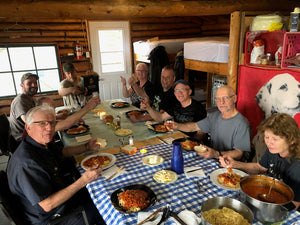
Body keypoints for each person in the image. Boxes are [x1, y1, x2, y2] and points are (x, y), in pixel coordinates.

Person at [7, 105, 105, 225]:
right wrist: (83, 180)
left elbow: (62, 152)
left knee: (101, 190)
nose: (49, 128)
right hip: (53, 217)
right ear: (28, 127)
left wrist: (86, 147)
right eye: (42, 123)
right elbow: (47, 205)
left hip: (59, 195)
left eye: (52, 123)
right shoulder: (27, 163)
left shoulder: (39, 143)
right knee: (104, 208)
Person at [220, 113, 300, 210]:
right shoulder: (274, 150)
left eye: (275, 139)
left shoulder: (297, 167)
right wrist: (235, 164)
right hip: (268, 197)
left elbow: (294, 205)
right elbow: (260, 167)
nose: (269, 142)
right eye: (267, 137)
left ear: (291, 140)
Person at [166, 85, 251, 160]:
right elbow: (194, 127)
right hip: (212, 159)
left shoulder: (242, 123)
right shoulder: (215, 116)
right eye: (218, 99)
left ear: (234, 98)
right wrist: (177, 126)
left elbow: (239, 153)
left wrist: (216, 154)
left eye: (225, 98)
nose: (221, 102)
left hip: (229, 166)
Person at [141, 79, 207, 138]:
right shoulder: (176, 106)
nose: (179, 93)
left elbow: (202, 132)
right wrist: (148, 108)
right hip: (176, 138)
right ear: (175, 93)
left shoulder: (198, 107)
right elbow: (161, 118)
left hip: (191, 142)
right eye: (177, 90)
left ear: (189, 92)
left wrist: (190, 143)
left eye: (182, 90)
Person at [36, 96, 100, 132]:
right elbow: (65, 124)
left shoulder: (43, 118)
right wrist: (88, 107)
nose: (53, 112)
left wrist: (75, 121)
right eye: (50, 110)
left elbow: (59, 122)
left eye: (54, 109)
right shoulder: (41, 124)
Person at [10, 72, 39, 143]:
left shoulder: (31, 98)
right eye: (29, 83)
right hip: (22, 139)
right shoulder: (20, 101)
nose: (33, 85)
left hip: (31, 133)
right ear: (22, 85)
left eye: (35, 83)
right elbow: (30, 122)